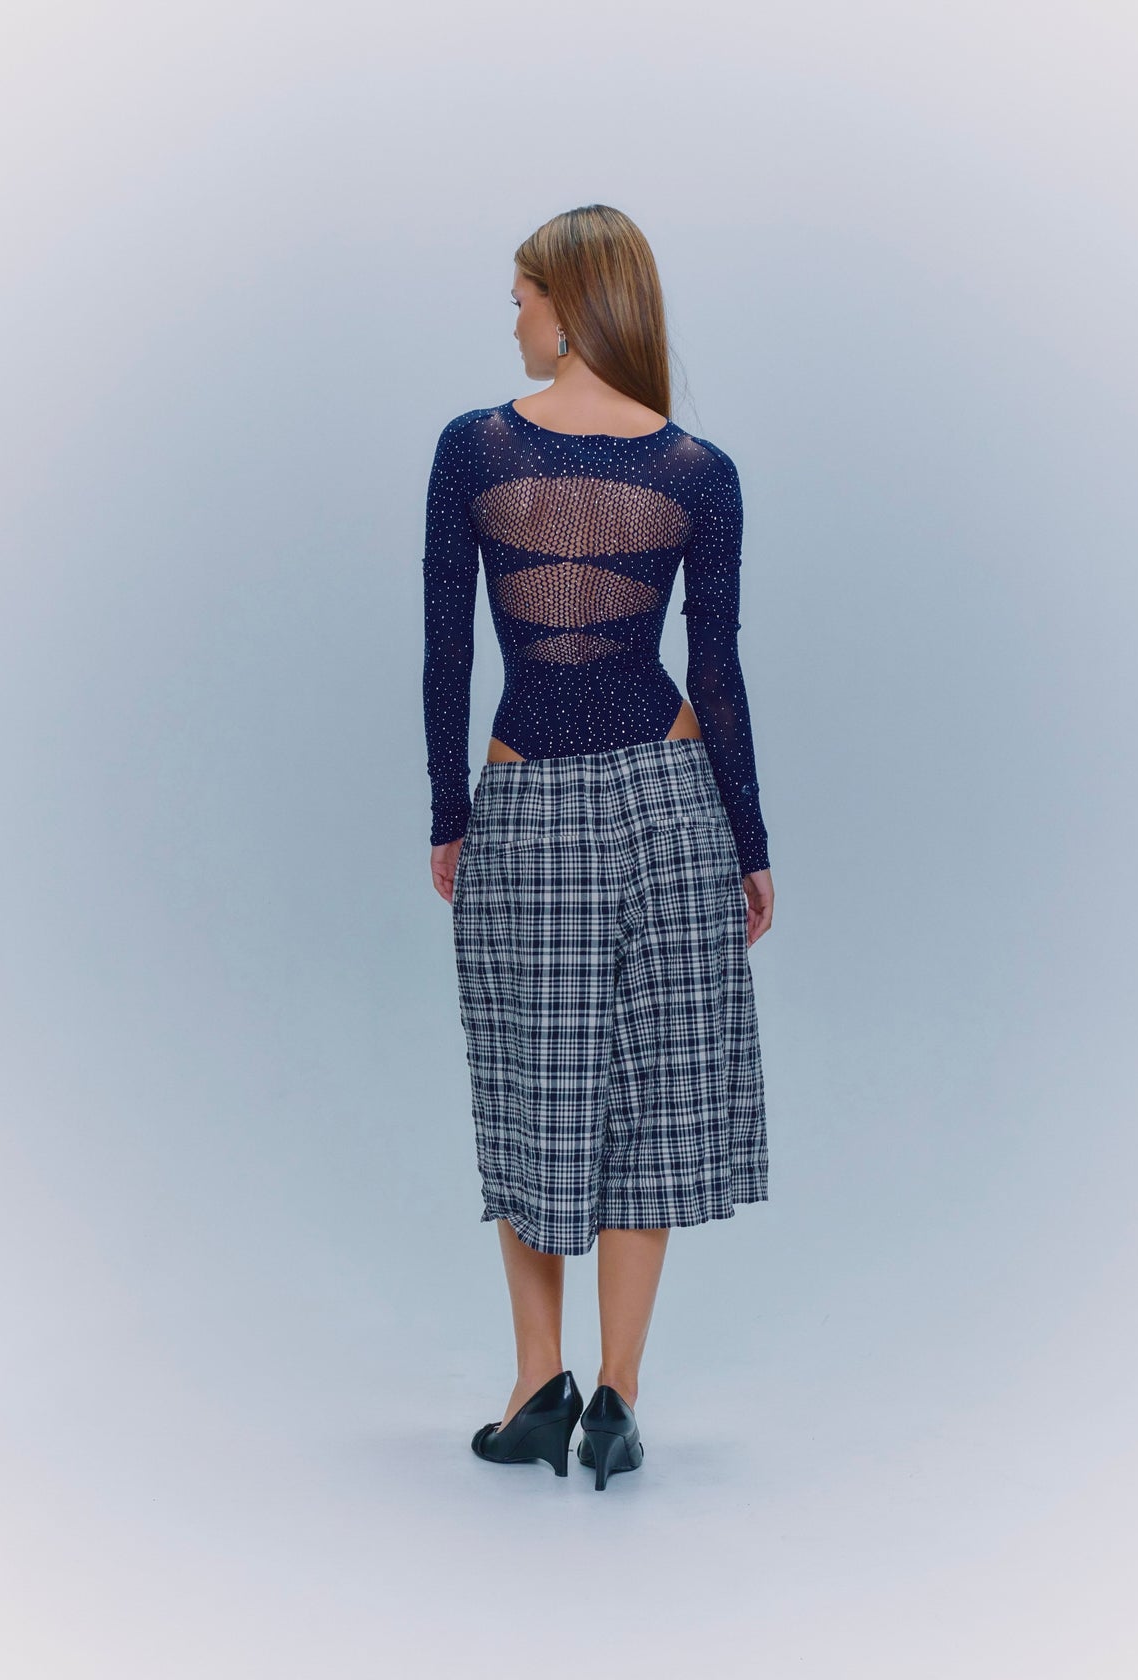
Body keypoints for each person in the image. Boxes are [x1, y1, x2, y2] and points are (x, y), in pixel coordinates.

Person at [421, 204, 775, 1489]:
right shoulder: (698, 469)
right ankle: (618, 1393)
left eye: (521, 295)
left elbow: (447, 654)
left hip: (528, 802)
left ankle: (539, 1385)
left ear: (568, 305)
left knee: (531, 1080)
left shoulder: (473, 449)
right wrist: (749, 839)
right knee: (651, 1094)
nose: (512, 317)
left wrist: (449, 815)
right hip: (674, 801)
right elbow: (715, 671)